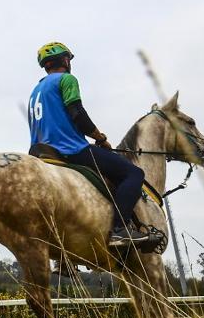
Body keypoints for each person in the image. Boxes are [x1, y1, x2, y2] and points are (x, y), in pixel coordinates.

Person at [28, 42, 150, 247]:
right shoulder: (66, 79)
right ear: (64, 60)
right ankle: (120, 229)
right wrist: (100, 138)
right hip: (69, 149)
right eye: (68, 59)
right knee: (134, 174)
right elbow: (78, 114)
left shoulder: (35, 91)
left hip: (39, 152)